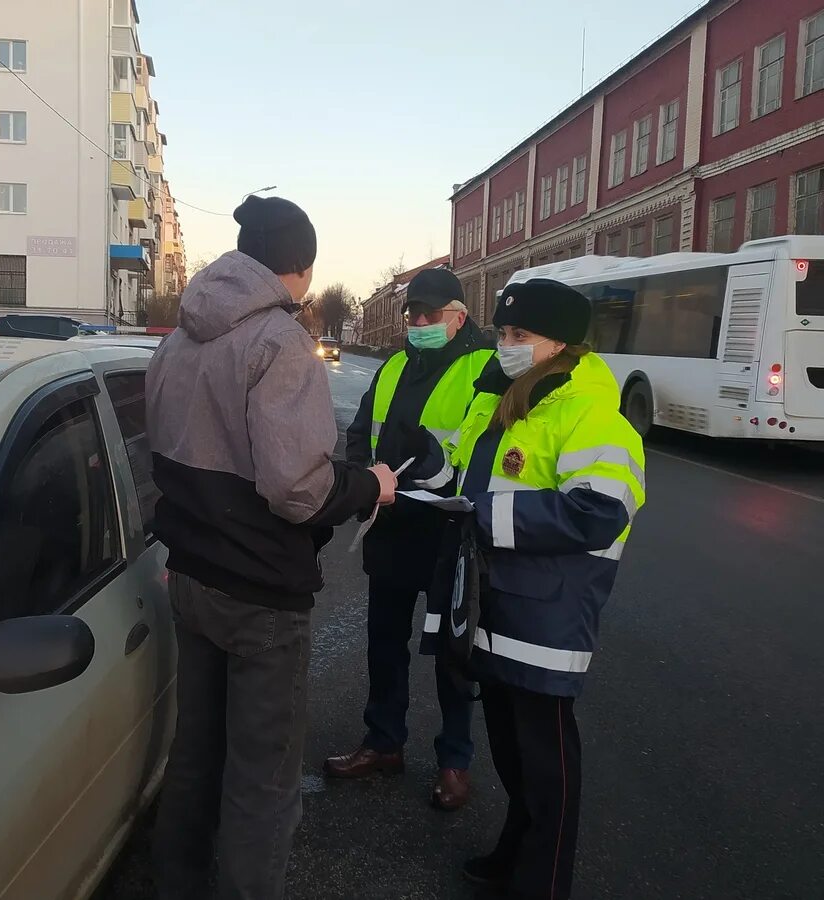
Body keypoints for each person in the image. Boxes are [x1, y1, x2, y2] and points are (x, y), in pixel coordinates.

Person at [146, 195, 398, 900]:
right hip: (260, 597)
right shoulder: (279, 343)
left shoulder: (180, 336)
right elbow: (298, 490)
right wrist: (368, 486)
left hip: (191, 579)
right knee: (263, 783)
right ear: (301, 267)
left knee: (194, 758)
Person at [409, 278, 646, 900]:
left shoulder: (590, 412)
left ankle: (543, 883)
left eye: (521, 336)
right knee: (511, 753)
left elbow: (600, 509)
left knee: (547, 765)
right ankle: (516, 850)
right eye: (505, 333)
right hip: (495, 605)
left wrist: (482, 516)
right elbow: (465, 470)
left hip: (546, 618)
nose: (507, 345)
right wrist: (424, 466)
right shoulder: (507, 398)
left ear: (561, 344)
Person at [324, 268, 494, 813]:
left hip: (448, 533)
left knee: (452, 654)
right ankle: (383, 742)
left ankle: (455, 762)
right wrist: (360, 481)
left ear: (458, 316)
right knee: (385, 643)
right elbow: (360, 431)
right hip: (392, 529)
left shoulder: (484, 368)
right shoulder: (395, 365)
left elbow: (488, 452)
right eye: (412, 313)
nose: (418, 322)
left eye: (429, 314)